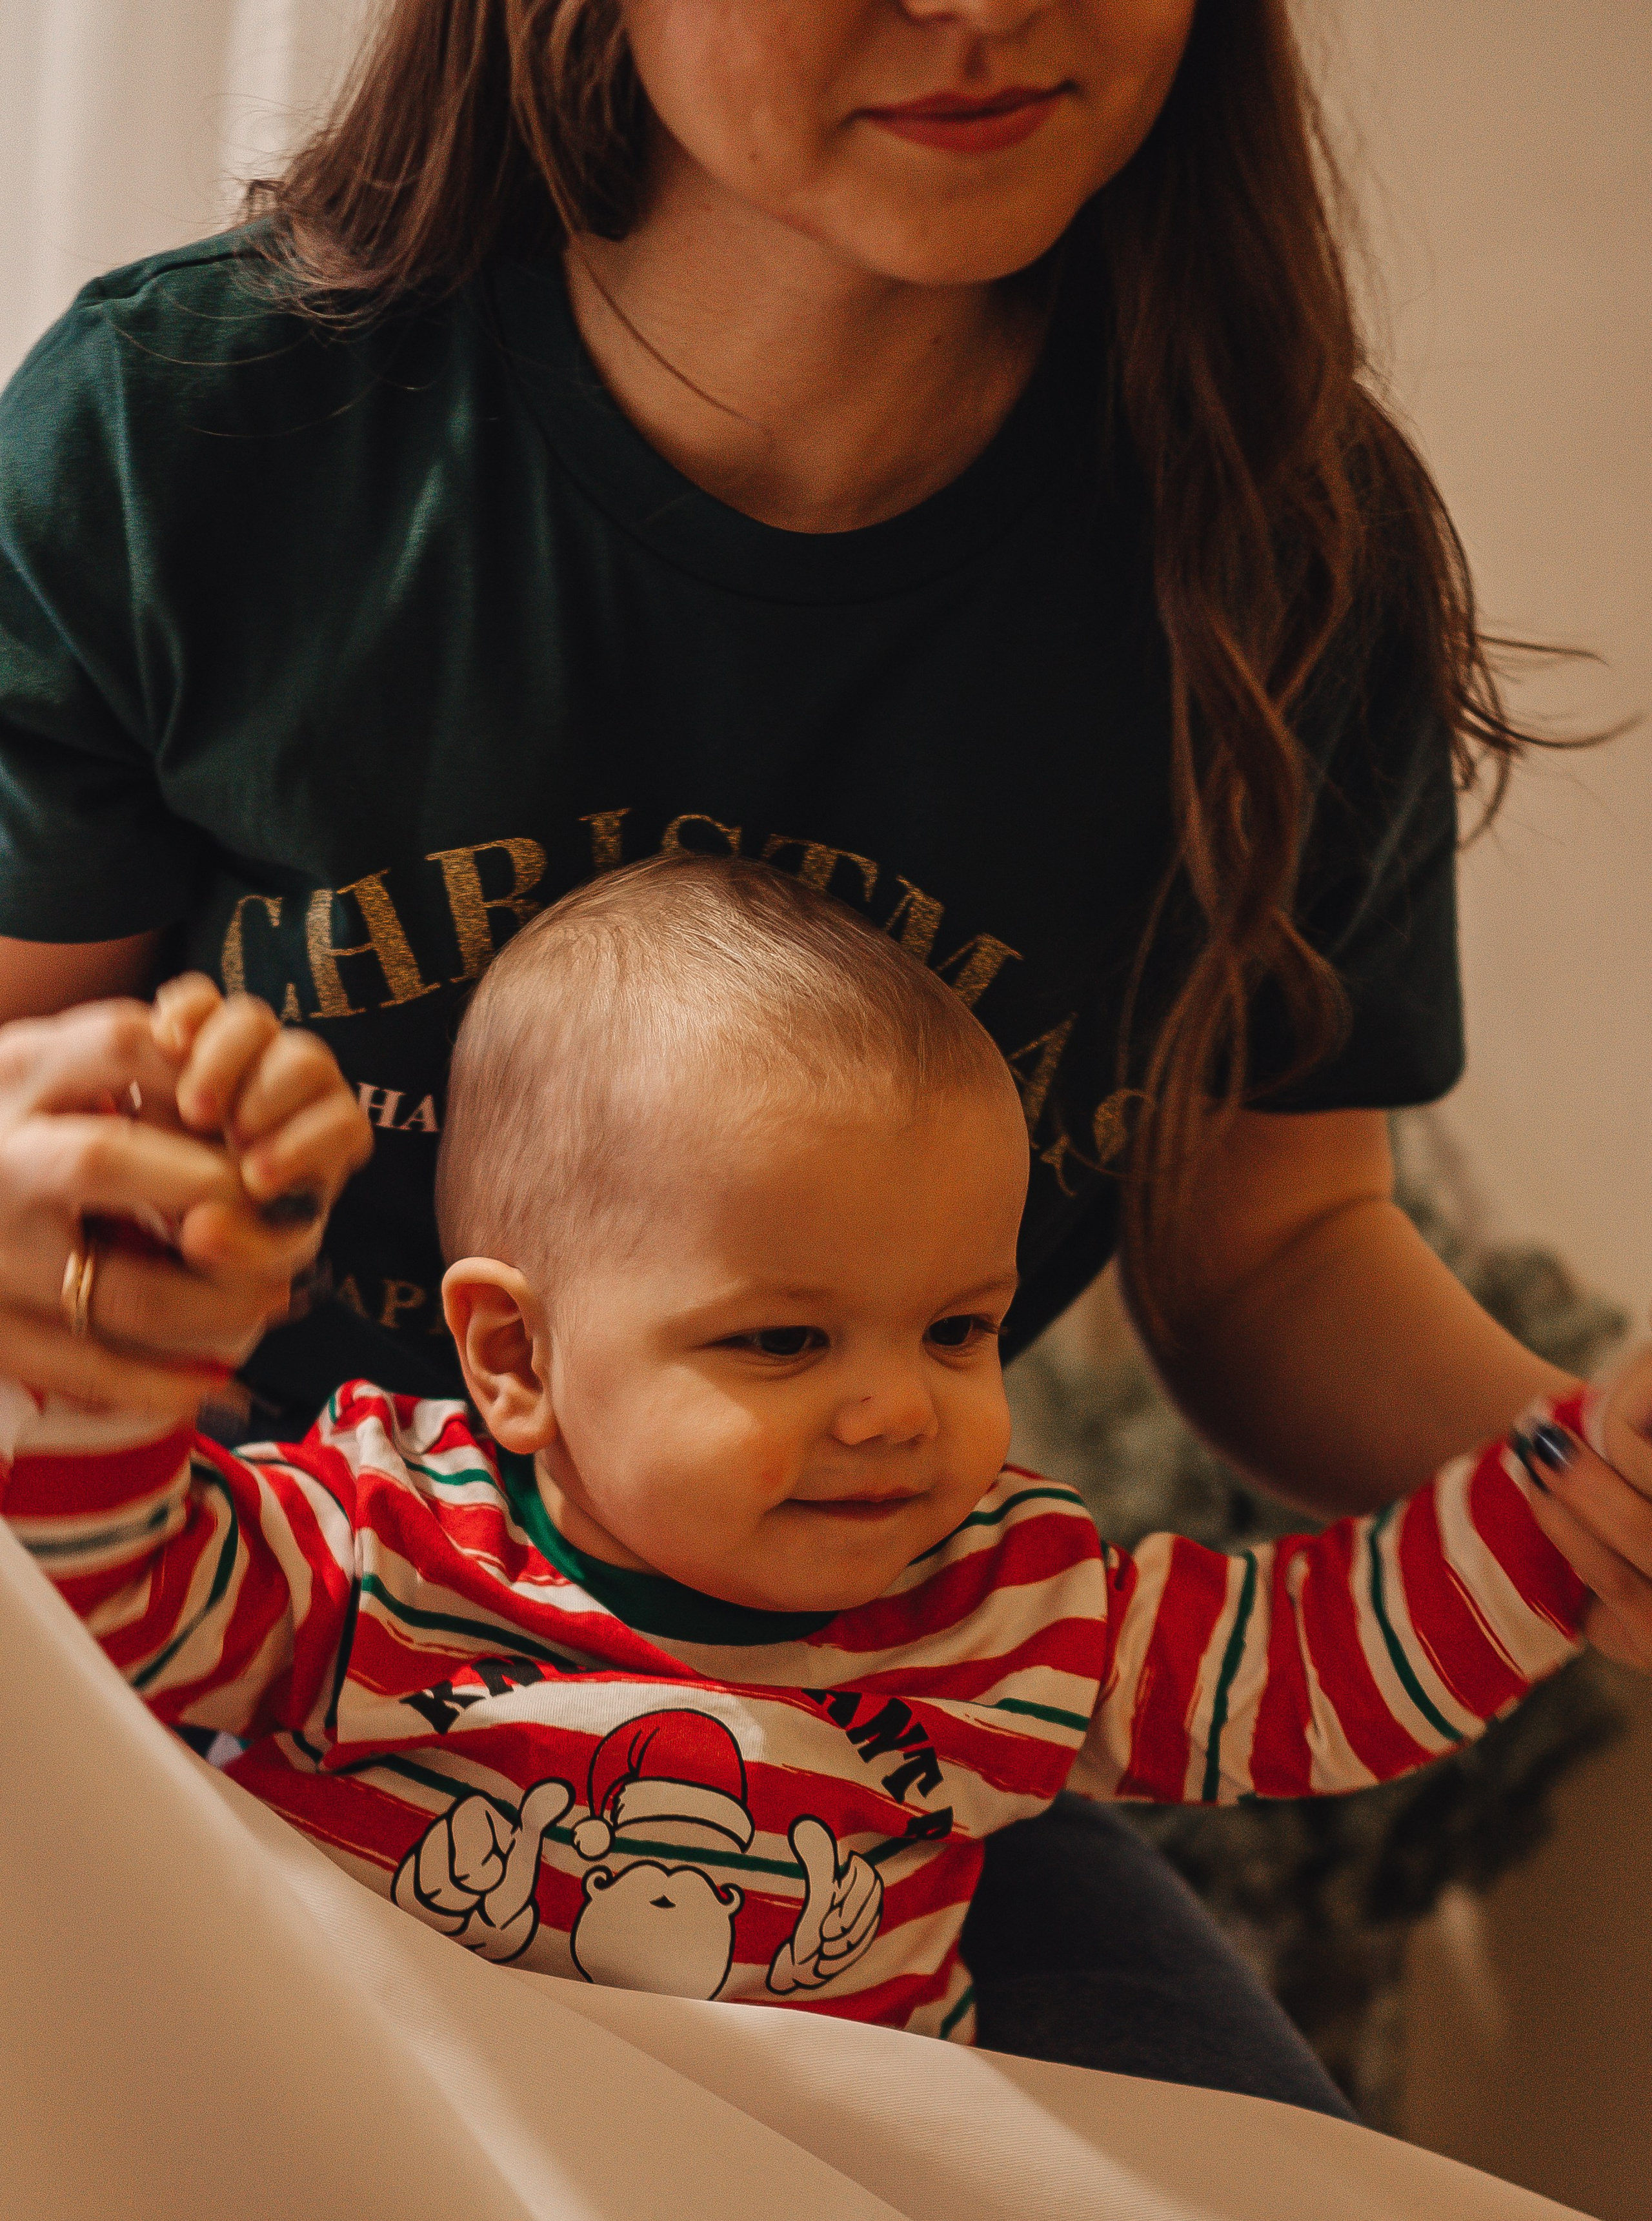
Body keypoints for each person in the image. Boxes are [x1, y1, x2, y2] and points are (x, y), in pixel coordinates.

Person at [1, 1, 1649, 2109]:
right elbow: (41, 1228)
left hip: (854, 1725)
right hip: (212, 1629)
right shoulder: (189, 432)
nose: (985, 7)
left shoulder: (1284, 548)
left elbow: (1274, 1255)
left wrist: (1588, 1493)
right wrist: (74, 1262)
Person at [0, 858, 1624, 2049]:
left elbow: (1307, 1675)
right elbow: (114, 1596)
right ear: (513, 1358)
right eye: (782, 1342)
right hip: (415, 2198)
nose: (896, 1410)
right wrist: (139, 1334)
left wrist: (1568, 1499)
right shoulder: (375, 1538)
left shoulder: (1003, 1607)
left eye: (957, 1329)